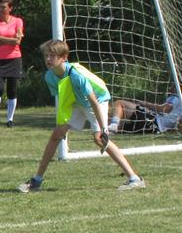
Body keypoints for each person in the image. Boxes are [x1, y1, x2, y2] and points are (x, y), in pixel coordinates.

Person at [18, 40, 146, 193]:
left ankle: (134, 179)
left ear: (64, 58)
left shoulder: (76, 75)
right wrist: (62, 123)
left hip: (97, 101)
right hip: (77, 102)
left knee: (99, 139)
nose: (48, 59)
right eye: (46, 55)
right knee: (56, 135)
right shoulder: (49, 76)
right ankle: (36, 180)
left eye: (52, 56)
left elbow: (94, 102)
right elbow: (64, 98)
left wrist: (104, 129)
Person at [0, 0, 24, 128]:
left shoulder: (18, 21)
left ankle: (10, 119)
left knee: (12, 90)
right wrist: (9, 40)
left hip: (14, 58)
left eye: (4, 7)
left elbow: (18, 41)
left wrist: (1, 38)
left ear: (10, 8)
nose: (1, 10)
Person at [108, 94, 182, 136]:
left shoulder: (176, 97)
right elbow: (181, 121)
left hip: (153, 121)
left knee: (120, 103)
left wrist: (146, 104)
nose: (171, 86)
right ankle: (109, 129)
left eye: (173, 84)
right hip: (154, 129)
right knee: (119, 126)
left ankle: (113, 124)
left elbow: (164, 109)